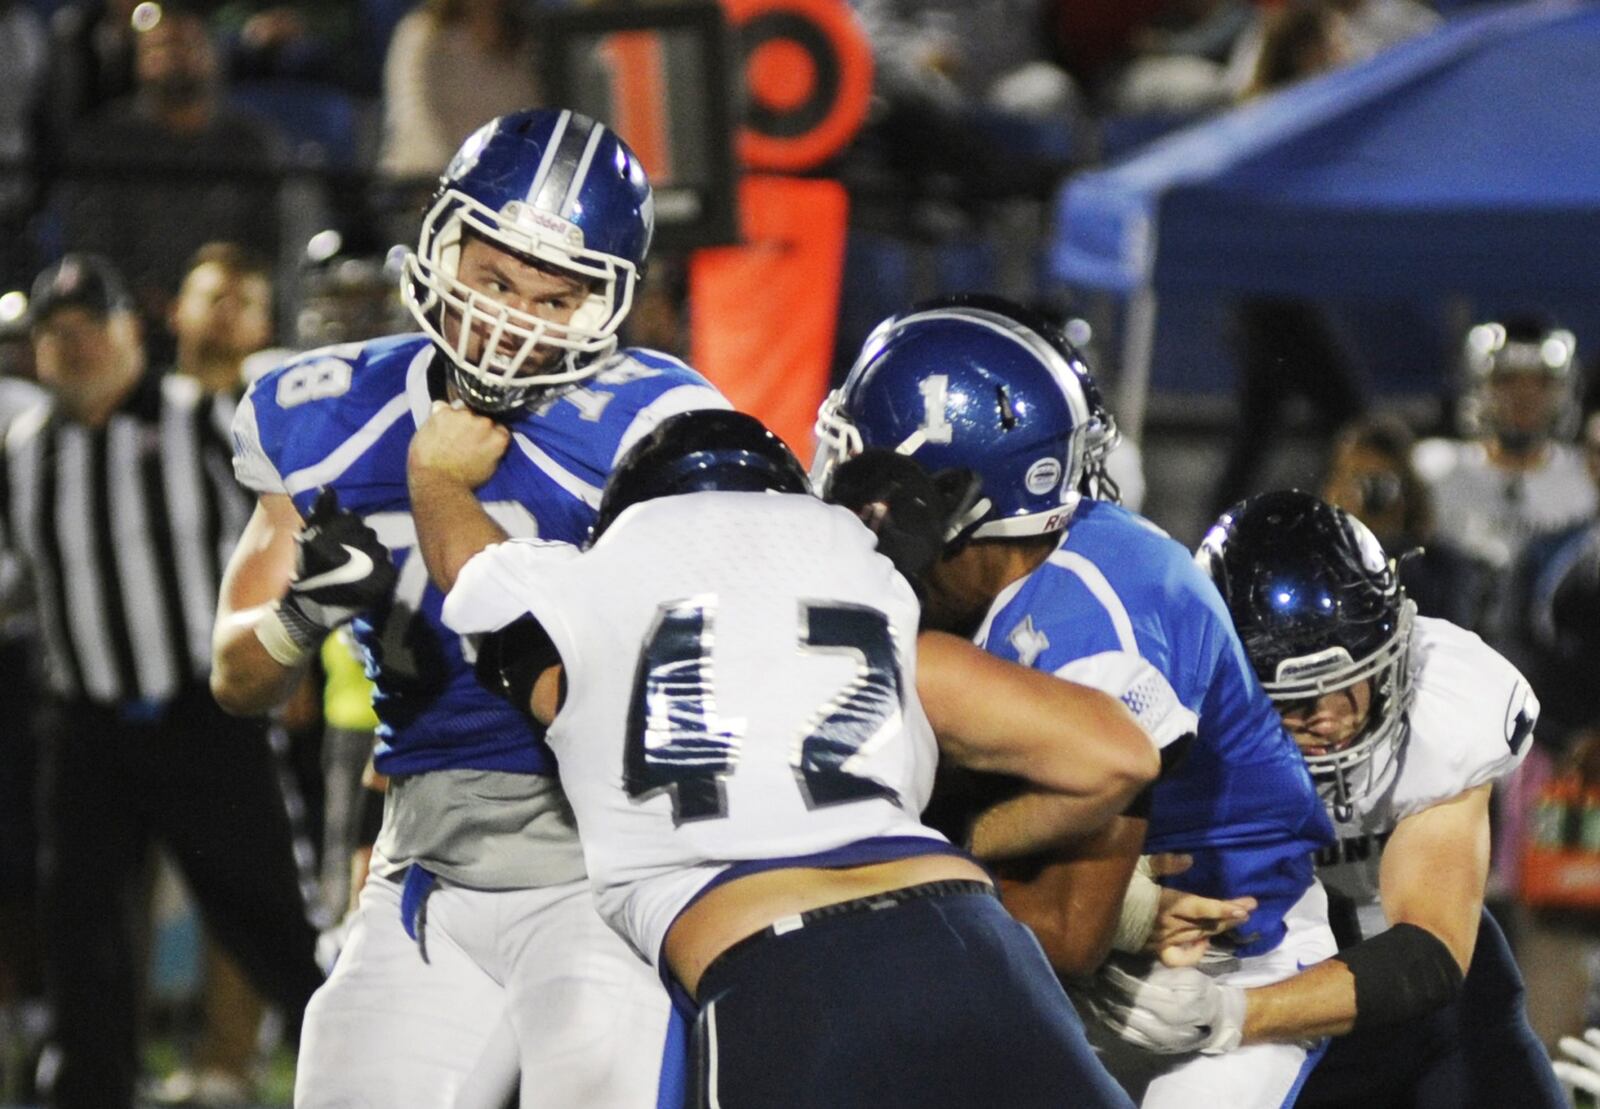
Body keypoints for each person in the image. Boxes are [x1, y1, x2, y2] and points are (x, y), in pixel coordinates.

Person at [210, 107, 729, 1107]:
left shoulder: (657, 429)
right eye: (493, 278)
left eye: (554, 295)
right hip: (425, 870)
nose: (508, 320)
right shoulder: (330, 411)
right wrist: (298, 615)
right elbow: (236, 675)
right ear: (441, 247)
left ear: (607, 309)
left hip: (606, 870)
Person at [421, 407, 1151, 1108]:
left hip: (781, 972)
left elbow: (466, 564)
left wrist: (436, 475)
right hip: (974, 939)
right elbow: (1118, 758)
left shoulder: (589, 591)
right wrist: (970, 838)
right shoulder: (860, 569)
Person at [812, 296, 1336, 1107]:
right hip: (1065, 950)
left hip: (1205, 985)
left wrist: (883, 864)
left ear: (948, 494)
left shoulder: (1096, 624)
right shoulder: (989, 583)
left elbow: (1068, 929)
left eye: (865, 460)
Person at [1084, 490, 1564, 1108]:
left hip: (1417, 1000)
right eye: (1298, 700)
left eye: (1352, 682)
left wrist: (1232, 1013)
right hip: (1236, 985)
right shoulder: (1158, 704)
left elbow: (1429, 950)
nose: (1333, 719)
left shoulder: (1442, 703)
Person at [1, 254, 322, 1109]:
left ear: (126, 331)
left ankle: (355, 1066)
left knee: (268, 912)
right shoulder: (22, 449)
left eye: (85, 328)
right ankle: (91, 1090)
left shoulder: (204, 421)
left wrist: (282, 654)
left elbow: (286, 536)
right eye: (53, 334)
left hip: (201, 716)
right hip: (85, 726)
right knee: (85, 938)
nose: (71, 347)